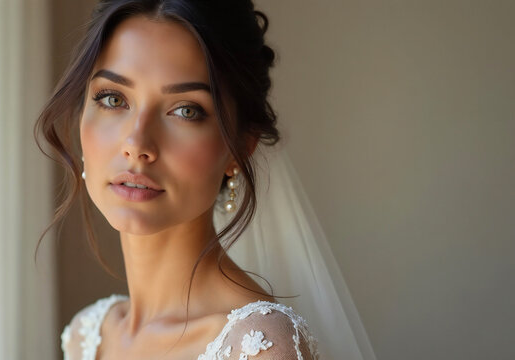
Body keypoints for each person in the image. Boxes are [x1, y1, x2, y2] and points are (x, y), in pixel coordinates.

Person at [35, 1, 321, 359]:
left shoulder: (258, 346)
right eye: (113, 98)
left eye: (186, 110)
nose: (137, 145)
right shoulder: (88, 335)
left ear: (240, 147)